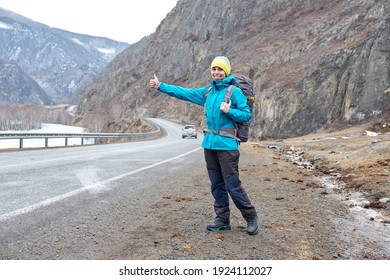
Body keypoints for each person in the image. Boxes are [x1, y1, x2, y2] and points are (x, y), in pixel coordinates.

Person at [149, 56, 259, 235]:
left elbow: (246, 116)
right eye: (214, 69)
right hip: (210, 144)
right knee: (216, 185)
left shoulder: (235, 92)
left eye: (220, 69)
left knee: (232, 185)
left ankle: (251, 217)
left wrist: (229, 110)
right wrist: (161, 86)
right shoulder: (208, 92)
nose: (216, 72)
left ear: (227, 71)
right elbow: (183, 92)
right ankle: (222, 219)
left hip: (227, 146)